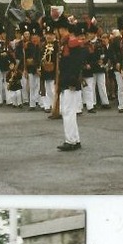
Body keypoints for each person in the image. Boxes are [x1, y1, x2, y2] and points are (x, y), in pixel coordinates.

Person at [56, 19, 86, 152]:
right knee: (69, 112)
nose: (59, 33)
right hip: (67, 81)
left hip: (70, 82)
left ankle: (71, 140)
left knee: (68, 112)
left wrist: (72, 81)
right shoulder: (68, 43)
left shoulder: (71, 43)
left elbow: (75, 64)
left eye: (60, 30)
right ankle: (75, 139)